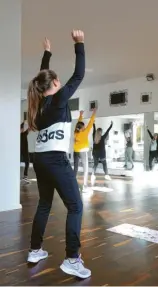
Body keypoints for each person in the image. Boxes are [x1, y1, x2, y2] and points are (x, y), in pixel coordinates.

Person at [26, 31, 91, 279]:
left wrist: (47, 53)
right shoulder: (59, 98)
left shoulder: (39, 105)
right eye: (57, 80)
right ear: (54, 85)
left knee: (44, 204)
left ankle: (35, 250)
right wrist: (79, 44)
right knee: (75, 207)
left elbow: (41, 78)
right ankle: (72, 259)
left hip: (40, 159)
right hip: (54, 160)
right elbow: (79, 75)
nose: (61, 82)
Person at [73, 109, 96, 191]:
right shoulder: (85, 131)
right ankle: (85, 186)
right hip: (83, 152)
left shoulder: (75, 132)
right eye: (84, 126)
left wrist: (81, 115)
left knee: (75, 169)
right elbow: (91, 122)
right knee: (85, 169)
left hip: (76, 151)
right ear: (82, 127)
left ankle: (72, 184)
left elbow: (78, 124)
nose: (85, 126)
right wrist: (94, 113)